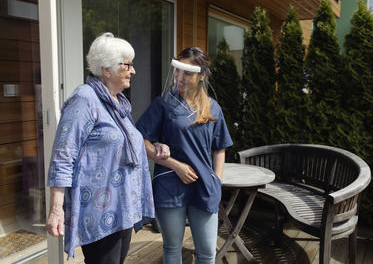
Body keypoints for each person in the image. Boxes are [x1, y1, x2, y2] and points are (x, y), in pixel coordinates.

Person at [46, 32, 156, 264]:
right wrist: (56, 209)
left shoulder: (118, 103)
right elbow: (63, 154)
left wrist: (157, 147)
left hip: (122, 208)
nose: (133, 71)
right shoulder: (85, 99)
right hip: (100, 210)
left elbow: (125, 144)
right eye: (127, 65)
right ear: (106, 69)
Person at [136, 47, 233, 264]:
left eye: (187, 73)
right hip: (169, 186)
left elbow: (219, 148)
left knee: (207, 252)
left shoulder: (213, 109)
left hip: (204, 187)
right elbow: (141, 141)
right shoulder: (163, 104)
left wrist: (216, 180)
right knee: (172, 248)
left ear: (202, 76)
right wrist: (174, 165)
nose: (180, 77)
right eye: (178, 70)